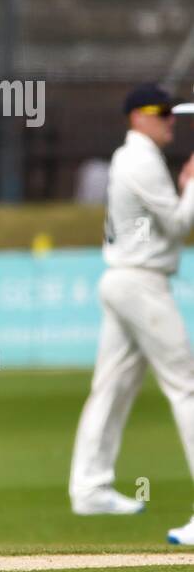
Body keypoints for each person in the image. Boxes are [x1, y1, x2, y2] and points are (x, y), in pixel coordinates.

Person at [69, 83, 194, 545]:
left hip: (126, 280)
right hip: (139, 283)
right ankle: (89, 487)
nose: (170, 120)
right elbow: (180, 225)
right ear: (137, 117)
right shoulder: (140, 159)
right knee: (187, 386)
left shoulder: (136, 158)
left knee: (111, 387)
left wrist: (184, 186)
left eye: (171, 112)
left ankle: (90, 488)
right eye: (161, 113)